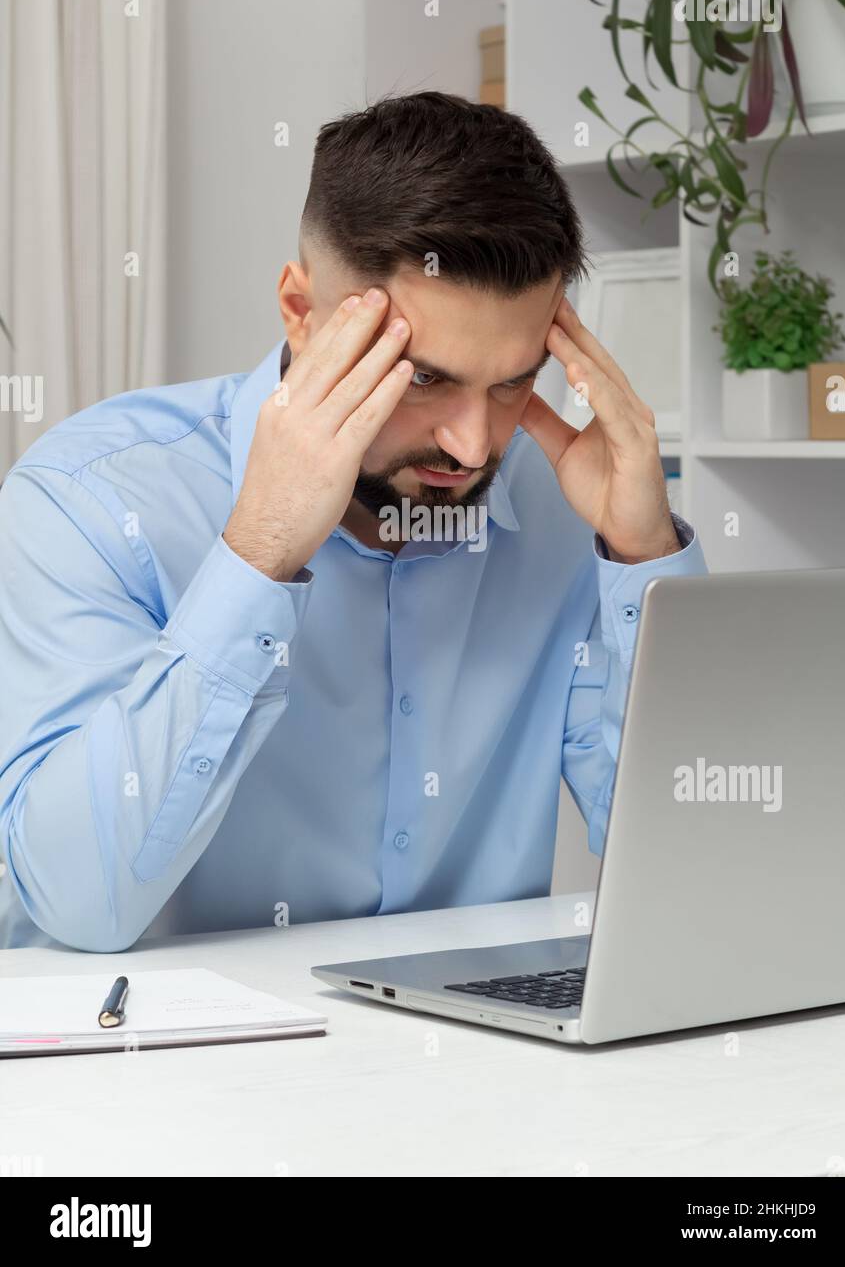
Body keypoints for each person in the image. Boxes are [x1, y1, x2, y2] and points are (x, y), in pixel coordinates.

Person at [0, 91, 705, 951]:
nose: (473, 444)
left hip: (479, 1068)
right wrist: (257, 555)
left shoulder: (566, 511)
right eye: (424, 380)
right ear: (302, 313)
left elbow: (698, 870)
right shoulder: (93, 498)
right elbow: (77, 904)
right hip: (160, 1072)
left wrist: (644, 556)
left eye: (515, 381)